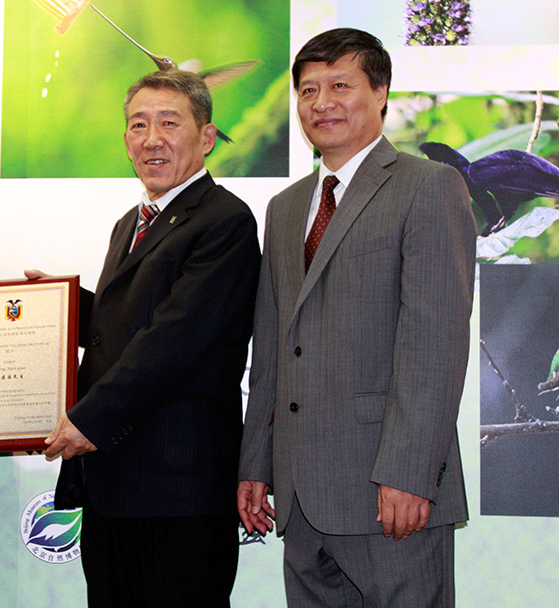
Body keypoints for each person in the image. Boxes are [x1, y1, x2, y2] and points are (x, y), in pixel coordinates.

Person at [237, 29, 475, 607]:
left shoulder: (429, 186)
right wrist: (256, 463)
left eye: (340, 85)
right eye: (308, 90)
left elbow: (435, 343)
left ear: (382, 91)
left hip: (388, 492)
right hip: (300, 496)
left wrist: (411, 472)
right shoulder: (286, 206)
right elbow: (270, 347)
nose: (321, 104)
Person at [30, 70, 260, 607]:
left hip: (178, 484)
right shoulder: (130, 223)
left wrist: (88, 419)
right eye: (138, 124)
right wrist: (59, 311)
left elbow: (176, 339)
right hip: (115, 481)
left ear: (206, 137)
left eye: (168, 123)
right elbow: (128, 326)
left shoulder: (224, 220)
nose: (150, 138)